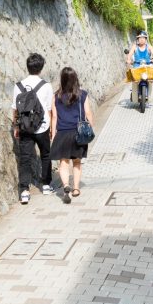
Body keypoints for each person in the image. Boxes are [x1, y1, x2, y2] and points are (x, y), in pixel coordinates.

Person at [12, 53, 54, 204]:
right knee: (45, 155)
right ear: (41, 68)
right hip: (42, 126)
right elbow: (49, 109)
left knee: (25, 158)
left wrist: (16, 126)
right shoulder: (46, 86)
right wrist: (51, 128)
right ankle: (47, 185)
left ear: (27, 67)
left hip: (25, 127)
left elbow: (15, 109)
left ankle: (24, 191)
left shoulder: (18, 86)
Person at [50, 67, 93, 203]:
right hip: (78, 134)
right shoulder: (83, 95)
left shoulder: (56, 96)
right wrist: (91, 128)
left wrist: (53, 134)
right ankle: (75, 188)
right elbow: (88, 113)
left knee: (63, 162)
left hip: (62, 133)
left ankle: (66, 185)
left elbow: (54, 117)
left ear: (62, 80)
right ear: (75, 79)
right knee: (76, 162)